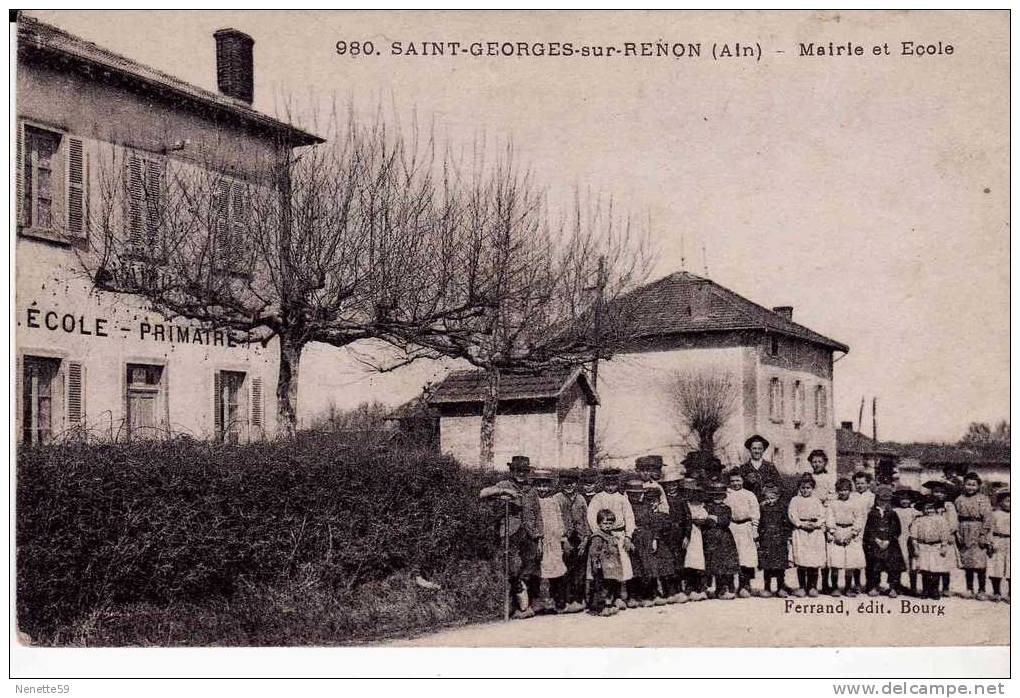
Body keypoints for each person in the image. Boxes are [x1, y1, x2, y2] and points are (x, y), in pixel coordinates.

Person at [478, 455, 543, 619]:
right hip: (510, 533)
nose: (521, 473)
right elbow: (483, 493)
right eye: (517, 470)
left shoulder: (531, 491)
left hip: (530, 534)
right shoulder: (504, 485)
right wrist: (504, 492)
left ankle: (524, 606)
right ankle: (516, 601)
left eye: (524, 471)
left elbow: (538, 515)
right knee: (511, 567)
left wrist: (540, 537)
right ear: (512, 470)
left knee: (528, 567)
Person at [585, 468, 634, 608]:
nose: (610, 487)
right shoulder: (598, 498)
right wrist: (599, 533)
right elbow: (591, 517)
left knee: (621, 566)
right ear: (603, 483)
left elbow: (629, 518)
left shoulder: (622, 498)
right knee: (605, 568)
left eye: (613, 484)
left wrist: (628, 536)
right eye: (607, 484)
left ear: (617, 484)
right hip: (603, 536)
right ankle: (604, 598)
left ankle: (619, 596)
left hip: (619, 536)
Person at [532, 470, 569, 613]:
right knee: (539, 571)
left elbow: (559, 519)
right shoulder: (533, 500)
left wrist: (562, 537)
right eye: (539, 485)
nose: (542, 489)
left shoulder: (554, 501)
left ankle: (556, 600)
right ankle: (538, 601)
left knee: (557, 570)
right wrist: (538, 537)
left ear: (550, 486)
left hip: (553, 540)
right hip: (541, 540)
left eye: (545, 485)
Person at [553, 469, 589, 613]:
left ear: (576, 484)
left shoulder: (581, 499)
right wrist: (563, 540)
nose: (569, 486)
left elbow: (586, 520)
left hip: (579, 539)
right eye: (566, 483)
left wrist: (585, 539)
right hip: (564, 539)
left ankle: (578, 600)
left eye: (572, 483)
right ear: (561, 483)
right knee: (564, 571)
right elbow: (555, 520)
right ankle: (563, 601)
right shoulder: (557, 499)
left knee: (579, 571)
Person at [954, 472, 993, 600]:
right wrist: (958, 533)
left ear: (978, 486)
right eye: (968, 484)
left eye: (973, 485)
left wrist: (983, 534)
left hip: (978, 529)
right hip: (964, 529)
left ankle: (981, 590)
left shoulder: (983, 499)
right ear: (964, 485)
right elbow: (956, 518)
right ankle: (969, 588)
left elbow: (987, 518)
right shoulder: (959, 499)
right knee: (968, 563)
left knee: (980, 563)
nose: (970, 487)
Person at [862, 485, 906, 597]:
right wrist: (876, 539)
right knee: (873, 565)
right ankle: (872, 586)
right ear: (877, 499)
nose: (883, 503)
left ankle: (893, 587)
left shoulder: (892, 513)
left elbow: (896, 529)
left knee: (893, 565)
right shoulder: (872, 513)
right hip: (875, 543)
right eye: (881, 500)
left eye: (886, 500)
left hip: (890, 543)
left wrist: (888, 540)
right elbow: (869, 528)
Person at [825, 477, 865, 596]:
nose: (843, 492)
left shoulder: (855, 504)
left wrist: (852, 533)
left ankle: (848, 588)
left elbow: (859, 519)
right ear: (837, 491)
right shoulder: (833, 504)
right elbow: (829, 518)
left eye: (846, 490)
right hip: (836, 531)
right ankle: (835, 587)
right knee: (836, 562)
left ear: (850, 490)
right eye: (841, 490)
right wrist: (833, 531)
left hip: (850, 533)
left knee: (850, 563)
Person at [909, 495, 954, 600]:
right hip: (923, 546)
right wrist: (915, 547)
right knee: (925, 569)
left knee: (936, 569)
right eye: (927, 508)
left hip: (936, 546)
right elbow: (913, 535)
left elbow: (944, 534)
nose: (930, 510)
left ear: (936, 508)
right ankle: (925, 590)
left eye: (932, 508)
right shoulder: (919, 520)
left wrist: (943, 546)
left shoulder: (941, 520)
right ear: (923, 509)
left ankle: (934, 590)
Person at [788, 473, 826, 597]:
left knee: (813, 561)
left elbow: (822, 516)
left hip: (815, 532)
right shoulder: (795, 500)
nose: (805, 490)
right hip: (801, 532)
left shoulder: (816, 501)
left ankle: (812, 587)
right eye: (803, 488)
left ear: (812, 488)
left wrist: (815, 525)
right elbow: (792, 515)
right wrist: (800, 525)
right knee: (802, 561)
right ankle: (802, 587)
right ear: (799, 488)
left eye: (808, 488)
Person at [702, 478, 740, 599]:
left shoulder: (726, 508)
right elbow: (705, 521)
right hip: (710, 538)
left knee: (725, 564)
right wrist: (711, 519)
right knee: (713, 564)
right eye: (714, 496)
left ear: (724, 496)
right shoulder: (707, 507)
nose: (717, 498)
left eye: (720, 495)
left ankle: (723, 589)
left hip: (724, 539)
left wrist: (714, 519)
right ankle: (708, 588)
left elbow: (725, 521)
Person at [725, 469, 760, 597]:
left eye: (738, 480)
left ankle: (745, 585)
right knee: (732, 556)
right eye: (732, 481)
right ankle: (730, 585)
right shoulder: (726, 494)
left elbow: (755, 513)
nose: (735, 483)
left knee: (746, 557)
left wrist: (754, 528)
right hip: (731, 526)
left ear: (743, 480)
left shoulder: (749, 495)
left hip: (746, 527)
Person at [659, 464, 691, 602]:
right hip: (666, 534)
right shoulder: (662, 499)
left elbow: (688, 518)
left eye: (673, 484)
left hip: (679, 533)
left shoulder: (682, 499)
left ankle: (678, 590)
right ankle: (667, 591)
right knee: (667, 562)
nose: (671, 487)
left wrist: (686, 535)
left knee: (679, 562)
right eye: (668, 484)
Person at [808, 449, 837, 593]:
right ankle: (811, 584)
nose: (817, 464)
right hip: (812, 513)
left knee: (827, 551)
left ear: (825, 462)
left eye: (819, 461)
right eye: (814, 461)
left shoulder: (830, 478)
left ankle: (826, 583)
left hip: (826, 512)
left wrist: (825, 505)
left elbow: (832, 496)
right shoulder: (808, 477)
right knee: (814, 549)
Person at [623, 474, 654, 607]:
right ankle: (632, 596)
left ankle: (647, 595)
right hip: (633, 538)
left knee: (647, 567)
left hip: (646, 538)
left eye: (638, 494)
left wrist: (654, 540)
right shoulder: (625, 506)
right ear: (628, 494)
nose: (635, 496)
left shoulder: (646, 506)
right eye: (632, 494)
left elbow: (652, 524)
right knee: (633, 568)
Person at [586, 509, 625, 616]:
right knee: (601, 586)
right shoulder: (598, 537)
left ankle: (609, 603)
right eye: (605, 523)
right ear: (599, 524)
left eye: (610, 523)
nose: (607, 526)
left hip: (611, 567)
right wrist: (596, 563)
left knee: (610, 585)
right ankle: (600, 606)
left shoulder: (611, 536)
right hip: (601, 567)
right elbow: (594, 552)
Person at [757, 482, 792, 597]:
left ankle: (781, 587)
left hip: (779, 541)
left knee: (780, 567)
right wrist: (760, 536)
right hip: (766, 540)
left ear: (777, 497)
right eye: (767, 498)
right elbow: (760, 524)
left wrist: (786, 536)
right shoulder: (762, 509)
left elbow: (786, 524)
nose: (770, 500)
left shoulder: (781, 509)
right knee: (767, 566)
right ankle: (767, 588)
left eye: (772, 497)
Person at [925, 480, 959, 595]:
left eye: (941, 492)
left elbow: (953, 522)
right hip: (933, 539)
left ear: (945, 494)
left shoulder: (948, 505)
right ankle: (933, 588)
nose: (938, 494)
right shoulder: (930, 505)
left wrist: (948, 534)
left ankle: (945, 587)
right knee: (933, 563)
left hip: (946, 538)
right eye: (936, 492)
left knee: (945, 563)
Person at [682, 478, 709, 600]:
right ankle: (690, 588)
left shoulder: (702, 505)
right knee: (688, 561)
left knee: (699, 561)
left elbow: (703, 518)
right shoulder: (684, 504)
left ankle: (701, 588)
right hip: (688, 533)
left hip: (698, 534)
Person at [893, 489, 920, 596]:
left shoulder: (914, 512)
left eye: (907, 499)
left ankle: (913, 587)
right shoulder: (895, 511)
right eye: (902, 499)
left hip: (910, 538)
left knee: (912, 562)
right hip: (899, 538)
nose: (904, 501)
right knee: (898, 562)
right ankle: (897, 586)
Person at [739, 435, 783, 500]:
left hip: (767, 504)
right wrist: (747, 482)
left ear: (763, 450)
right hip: (749, 502)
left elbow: (780, 485)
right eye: (754, 448)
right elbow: (738, 489)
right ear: (749, 449)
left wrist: (772, 494)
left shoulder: (770, 466)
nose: (757, 451)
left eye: (760, 448)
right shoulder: (744, 468)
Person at [986, 490, 1010, 603]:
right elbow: (989, 530)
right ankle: (996, 592)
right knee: (996, 567)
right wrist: (990, 543)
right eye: (1008, 501)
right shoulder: (995, 514)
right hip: (998, 541)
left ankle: (1010, 593)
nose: (1010, 504)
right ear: (1000, 502)